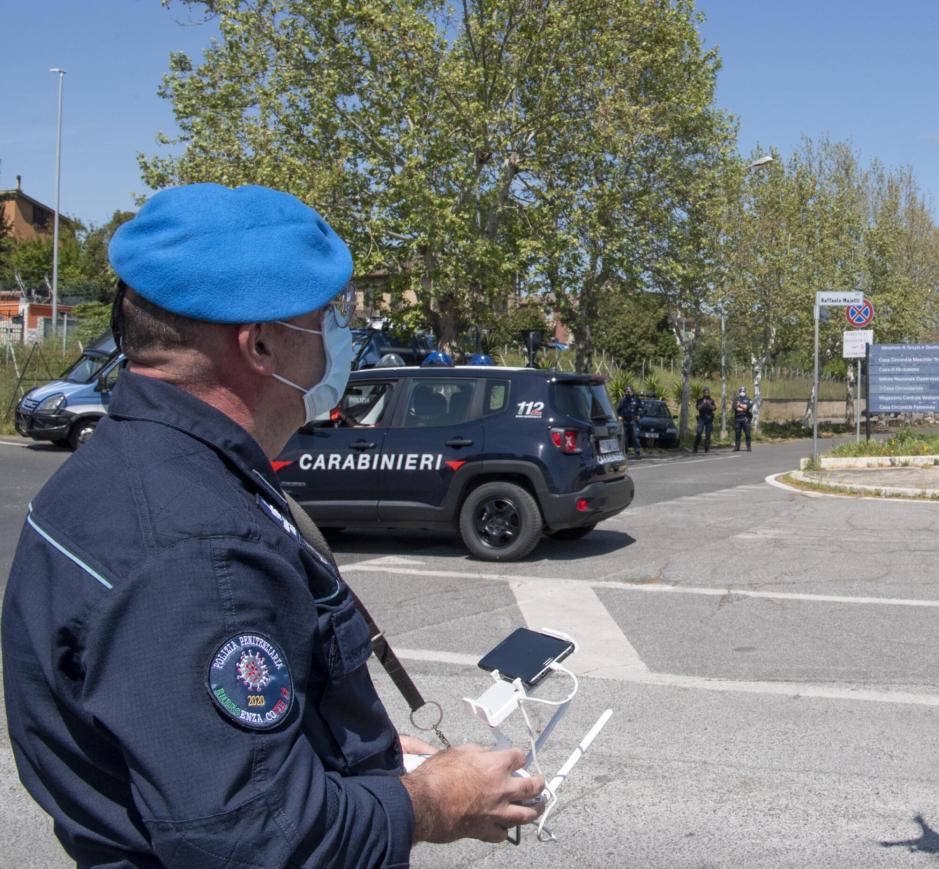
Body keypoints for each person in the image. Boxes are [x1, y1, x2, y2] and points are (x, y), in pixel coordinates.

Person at [1, 183, 542, 867]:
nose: (339, 337)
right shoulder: (196, 551)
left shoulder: (128, 469)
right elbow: (259, 837)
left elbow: (189, 739)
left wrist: (367, 758)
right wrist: (429, 802)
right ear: (259, 345)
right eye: (326, 317)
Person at [618, 385, 643, 457]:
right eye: (627, 391)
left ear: (632, 392)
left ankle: (637, 452)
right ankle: (625, 452)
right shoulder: (622, 400)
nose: (628, 393)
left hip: (633, 420)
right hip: (625, 421)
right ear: (625, 392)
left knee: (635, 436)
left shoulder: (636, 399)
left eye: (629, 391)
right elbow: (618, 410)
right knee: (625, 438)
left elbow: (641, 408)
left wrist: (639, 415)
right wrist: (619, 416)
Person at [693, 387, 716, 453]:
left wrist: (708, 403)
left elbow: (714, 408)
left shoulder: (711, 400)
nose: (706, 393)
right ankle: (695, 447)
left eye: (707, 392)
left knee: (708, 434)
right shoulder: (700, 400)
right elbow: (698, 408)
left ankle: (707, 448)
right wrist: (703, 403)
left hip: (709, 419)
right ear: (703, 393)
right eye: (705, 392)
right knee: (699, 432)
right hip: (701, 418)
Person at [732, 385, 753, 451]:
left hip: (746, 419)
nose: (742, 392)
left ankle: (748, 447)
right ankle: (737, 447)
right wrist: (744, 408)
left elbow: (747, 407)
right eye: (741, 391)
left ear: (745, 391)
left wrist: (740, 405)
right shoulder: (736, 399)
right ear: (739, 391)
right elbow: (736, 408)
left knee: (747, 434)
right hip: (738, 419)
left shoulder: (748, 399)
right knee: (737, 434)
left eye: (743, 391)